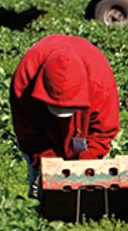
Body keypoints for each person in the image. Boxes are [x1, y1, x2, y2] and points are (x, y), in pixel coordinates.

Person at [10, 34, 120, 198]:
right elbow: (29, 135)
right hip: (43, 130)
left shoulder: (100, 83)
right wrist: (48, 166)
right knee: (40, 190)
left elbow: (102, 132)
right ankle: (39, 205)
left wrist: (84, 168)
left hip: (83, 135)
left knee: (88, 190)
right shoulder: (24, 81)